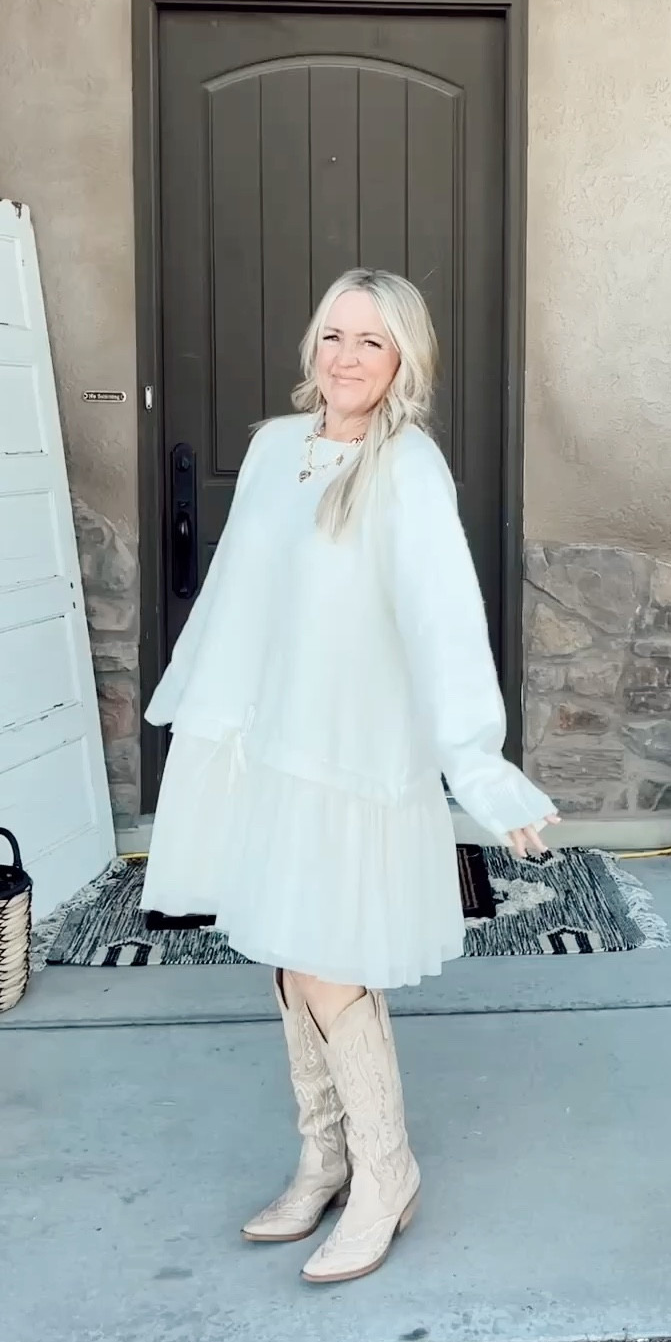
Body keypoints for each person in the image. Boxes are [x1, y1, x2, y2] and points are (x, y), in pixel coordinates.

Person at [140, 268, 559, 1285]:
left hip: (353, 749)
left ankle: (386, 1172)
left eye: (370, 341)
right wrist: (207, 716)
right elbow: (239, 593)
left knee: (329, 958)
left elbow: (445, 622)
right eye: (333, 333)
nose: (345, 356)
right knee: (287, 954)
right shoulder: (275, 447)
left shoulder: (407, 466)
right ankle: (322, 1157)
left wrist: (482, 769)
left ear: (403, 359)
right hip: (271, 740)